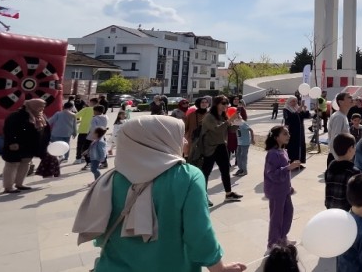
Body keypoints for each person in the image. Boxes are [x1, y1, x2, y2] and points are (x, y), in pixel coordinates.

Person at [72, 115, 247, 272]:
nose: (185, 142)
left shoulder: (110, 178)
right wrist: (219, 268)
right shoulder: (187, 176)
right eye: (179, 135)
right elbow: (199, 233)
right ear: (158, 140)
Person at [200, 95, 243, 206]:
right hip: (209, 147)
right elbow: (217, 130)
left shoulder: (223, 116)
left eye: (227, 103)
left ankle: (228, 194)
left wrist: (237, 123)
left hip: (221, 145)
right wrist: (230, 120)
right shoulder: (209, 117)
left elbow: (229, 130)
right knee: (206, 172)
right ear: (216, 104)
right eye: (223, 103)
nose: (226, 105)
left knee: (225, 170)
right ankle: (202, 196)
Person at [264, 125, 301, 251]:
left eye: (288, 133)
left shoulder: (283, 151)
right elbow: (272, 174)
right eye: (285, 134)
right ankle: (272, 243)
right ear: (276, 137)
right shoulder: (272, 154)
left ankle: (282, 238)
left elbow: (285, 175)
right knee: (276, 218)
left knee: (288, 214)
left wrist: (289, 187)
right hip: (276, 192)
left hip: (284, 191)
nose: (288, 136)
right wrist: (289, 168)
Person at [2, 98, 49, 193]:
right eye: (40, 106)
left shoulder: (41, 116)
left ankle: (19, 184)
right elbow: (8, 130)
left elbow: (45, 130)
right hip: (17, 145)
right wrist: (12, 142)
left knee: (26, 163)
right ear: (32, 105)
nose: (42, 108)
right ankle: (8, 186)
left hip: (30, 145)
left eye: (43, 106)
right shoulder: (17, 115)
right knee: (12, 164)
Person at [326, 133, 360, 210]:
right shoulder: (353, 171)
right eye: (354, 147)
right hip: (346, 212)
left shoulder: (331, 165)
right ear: (350, 149)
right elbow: (357, 196)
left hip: (330, 208)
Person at [327, 93, 352, 168]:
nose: (352, 99)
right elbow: (335, 139)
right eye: (349, 97)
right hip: (338, 158)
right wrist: (338, 159)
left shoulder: (343, 116)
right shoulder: (339, 117)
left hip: (342, 156)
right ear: (341, 102)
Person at [282, 96, 308, 166]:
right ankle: (291, 162)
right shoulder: (286, 109)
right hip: (292, 131)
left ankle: (299, 162)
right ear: (289, 102)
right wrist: (299, 109)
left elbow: (305, 116)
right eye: (293, 101)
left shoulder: (297, 108)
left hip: (300, 130)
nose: (294, 103)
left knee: (300, 145)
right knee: (292, 146)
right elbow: (289, 118)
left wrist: (304, 110)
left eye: (295, 101)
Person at [75, 98, 98, 165]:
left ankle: (78, 158)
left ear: (91, 102)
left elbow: (76, 116)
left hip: (83, 129)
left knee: (80, 144)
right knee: (89, 146)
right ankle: (86, 158)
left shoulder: (86, 109)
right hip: (93, 131)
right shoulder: (98, 110)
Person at [234, 112, 254, 177]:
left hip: (245, 142)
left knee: (243, 156)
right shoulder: (236, 123)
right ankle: (240, 169)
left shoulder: (243, 123)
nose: (237, 117)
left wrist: (252, 139)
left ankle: (244, 171)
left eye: (238, 115)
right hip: (239, 142)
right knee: (238, 155)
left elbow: (251, 130)